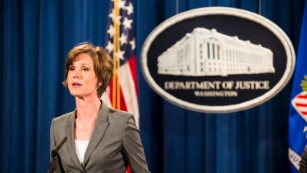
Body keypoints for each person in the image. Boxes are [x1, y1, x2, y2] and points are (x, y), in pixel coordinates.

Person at [49, 42, 150, 172]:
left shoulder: (122, 123)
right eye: (72, 68)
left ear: (100, 79)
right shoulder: (58, 126)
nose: (76, 74)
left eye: (85, 69)